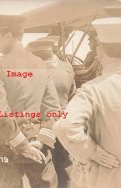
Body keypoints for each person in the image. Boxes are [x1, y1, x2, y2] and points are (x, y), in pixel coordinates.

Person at [0, 14, 61, 188]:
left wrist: (21, 144)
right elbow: (53, 109)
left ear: (8, 36)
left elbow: (2, 111)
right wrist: (41, 140)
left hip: (6, 144)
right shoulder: (41, 64)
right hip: (37, 142)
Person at [53, 17, 121, 188]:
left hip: (109, 177)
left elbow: (64, 126)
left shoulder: (92, 90)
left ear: (100, 51)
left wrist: (91, 151)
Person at [27, 37, 76, 188]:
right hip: (63, 123)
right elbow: (73, 96)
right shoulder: (67, 69)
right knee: (64, 167)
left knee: (43, 171)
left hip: (43, 128)